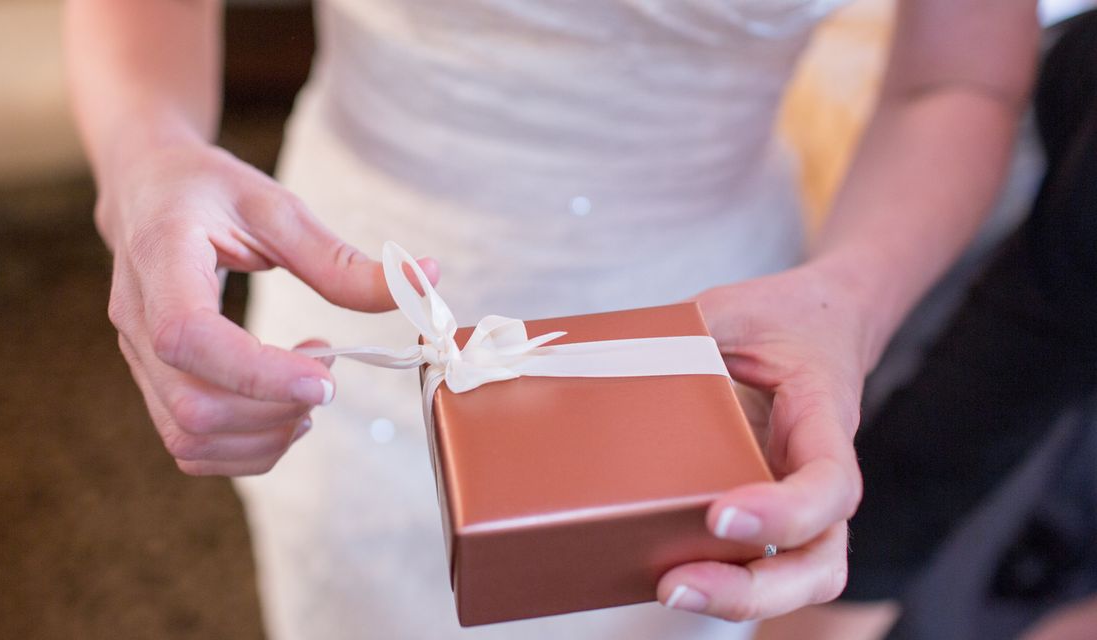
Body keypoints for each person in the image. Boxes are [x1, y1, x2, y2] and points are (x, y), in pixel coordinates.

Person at [64, 0, 1039, 637]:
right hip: (360, 295)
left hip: (710, 342)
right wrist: (146, 151)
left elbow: (955, 80)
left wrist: (851, 303)